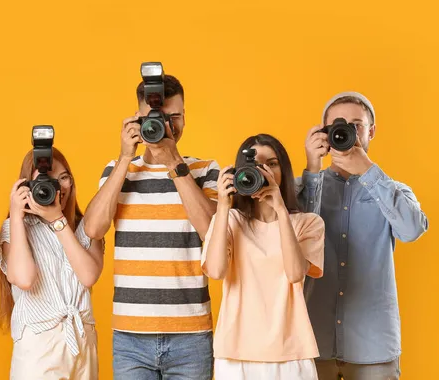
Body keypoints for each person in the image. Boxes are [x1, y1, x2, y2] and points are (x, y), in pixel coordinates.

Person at [84, 73, 220, 379]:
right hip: (131, 335)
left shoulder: (205, 170)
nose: (167, 126)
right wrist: (123, 158)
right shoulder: (119, 169)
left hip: (191, 334)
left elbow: (212, 232)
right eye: (156, 118)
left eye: (174, 117)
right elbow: (93, 229)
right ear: (137, 119)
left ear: (185, 117)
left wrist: (173, 162)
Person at [297, 91, 429, 379]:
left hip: (374, 346)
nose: (349, 132)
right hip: (313, 342)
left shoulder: (395, 190)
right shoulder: (304, 185)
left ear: (371, 131)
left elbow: (411, 230)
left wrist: (368, 171)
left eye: (357, 125)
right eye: (339, 124)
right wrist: (312, 168)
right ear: (324, 132)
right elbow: (298, 237)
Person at [202, 134, 324, 380]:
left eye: (272, 163)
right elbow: (215, 272)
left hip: (291, 352)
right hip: (236, 353)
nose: (264, 170)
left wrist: (279, 208)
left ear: (283, 170)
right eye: (256, 164)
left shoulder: (309, 223)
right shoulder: (229, 221)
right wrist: (224, 206)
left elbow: (294, 273)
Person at [0, 147, 104, 380]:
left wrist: (58, 221)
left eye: (63, 178)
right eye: (45, 180)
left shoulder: (86, 227)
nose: (56, 187)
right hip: (39, 344)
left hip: (83, 340)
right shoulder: (15, 229)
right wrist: (16, 215)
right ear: (27, 187)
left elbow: (89, 276)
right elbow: (23, 279)